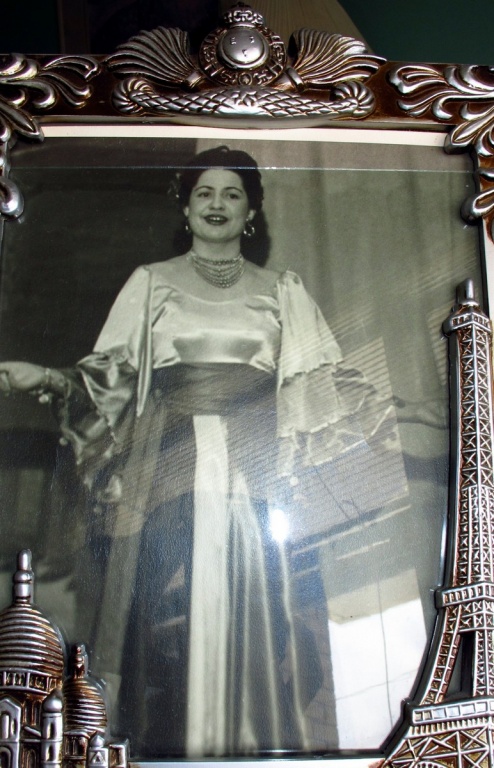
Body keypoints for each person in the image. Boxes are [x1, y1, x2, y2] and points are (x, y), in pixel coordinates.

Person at [0, 146, 390, 757]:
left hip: (254, 471)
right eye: (204, 192)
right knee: (162, 614)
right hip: (168, 466)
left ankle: (254, 747)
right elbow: (110, 381)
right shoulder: (150, 283)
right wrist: (48, 379)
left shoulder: (282, 291)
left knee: (261, 608)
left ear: (251, 212)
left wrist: (403, 412)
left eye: (232, 194)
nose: (216, 204)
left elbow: (323, 385)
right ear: (185, 207)